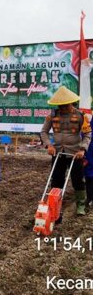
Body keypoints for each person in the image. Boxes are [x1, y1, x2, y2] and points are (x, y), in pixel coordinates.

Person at [40, 86, 92, 216]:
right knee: (56, 179)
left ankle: (81, 204)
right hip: (57, 152)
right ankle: (55, 203)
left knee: (77, 179)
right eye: (60, 106)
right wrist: (49, 145)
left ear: (71, 103)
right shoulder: (51, 116)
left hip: (75, 154)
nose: (62, 108)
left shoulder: (81, 116)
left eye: (65, 105)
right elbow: (44, 132)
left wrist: (82, 149)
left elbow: (87, 134)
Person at [84, 117, 93, 208]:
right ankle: (89, 198)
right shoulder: (88, 125)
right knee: (89, 176)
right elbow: (85, 136)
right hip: (89, 153)